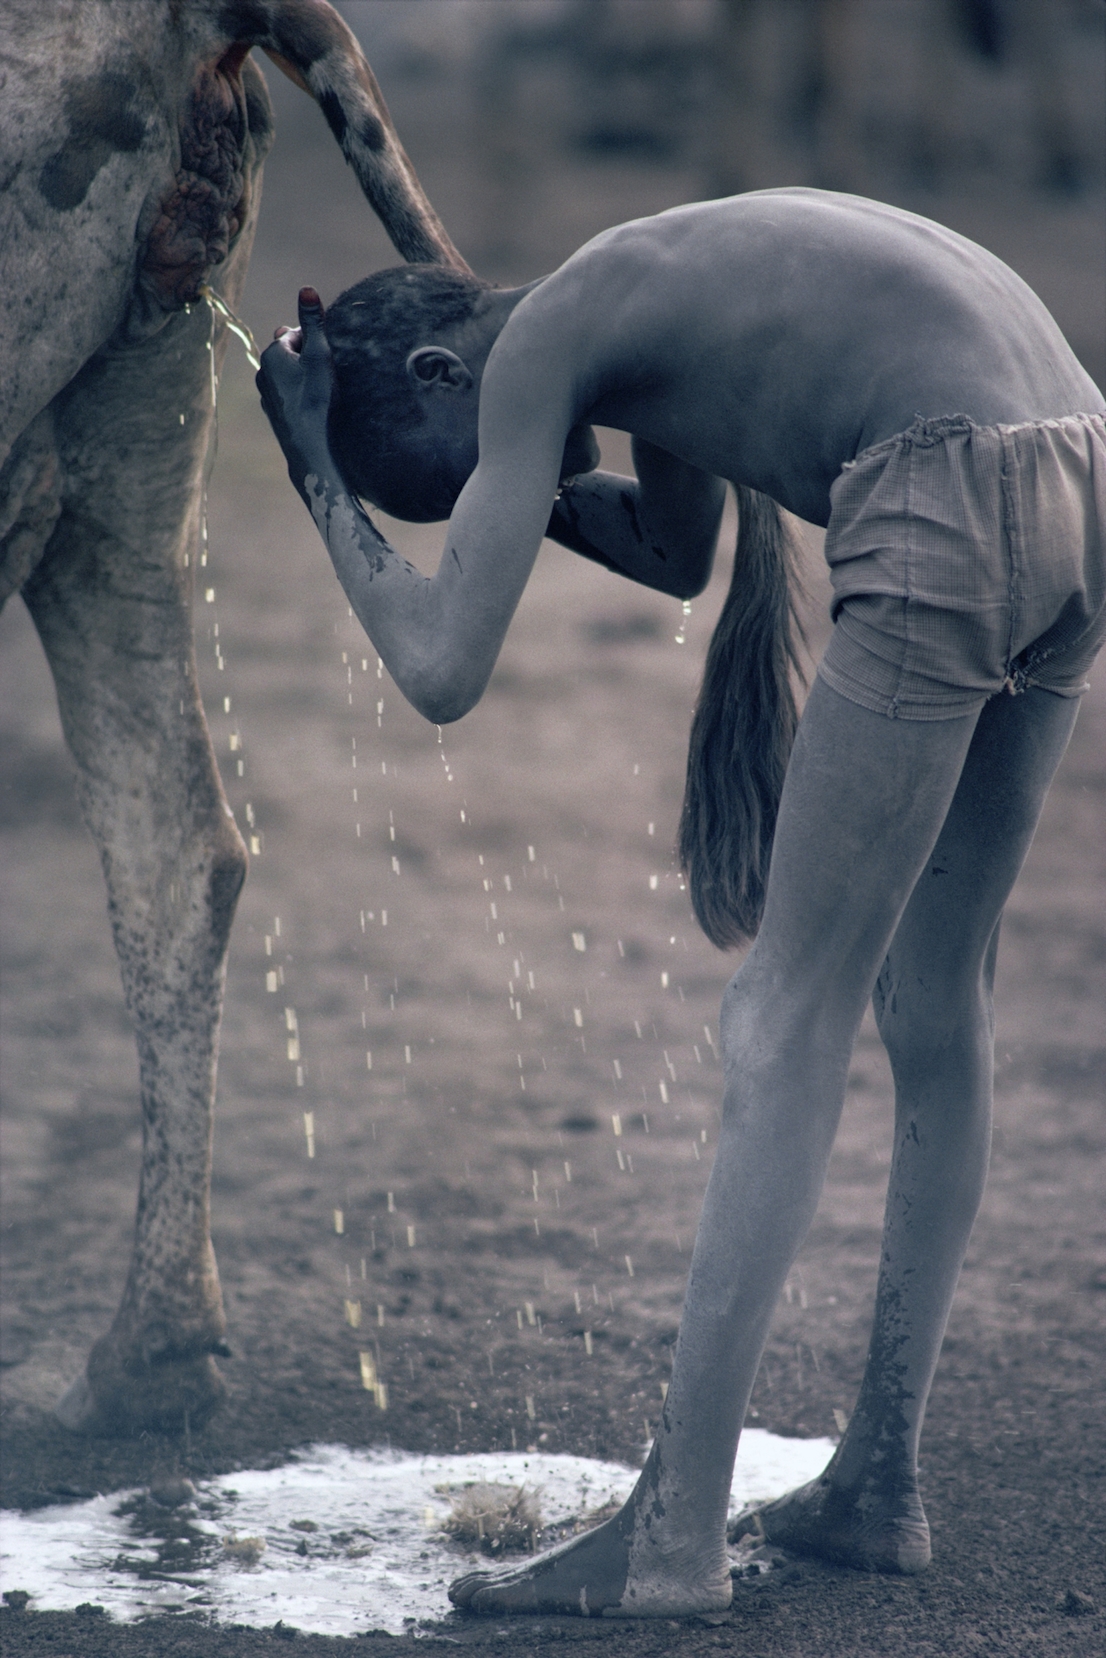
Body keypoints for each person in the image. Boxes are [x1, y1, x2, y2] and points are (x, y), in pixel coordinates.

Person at [258, 188, 1105, 1618]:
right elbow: (673, 549)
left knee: (780, 1023)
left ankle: (670, 1543)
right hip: (1079, 467)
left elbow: (442, 670)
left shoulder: (539, 350)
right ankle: (874, 1484)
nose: (492, 498)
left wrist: (315, 479)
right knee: (925, 992)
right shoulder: (632, 300)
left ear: (436, 372)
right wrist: (506, 510)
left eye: (470, 478)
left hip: (945, 483)